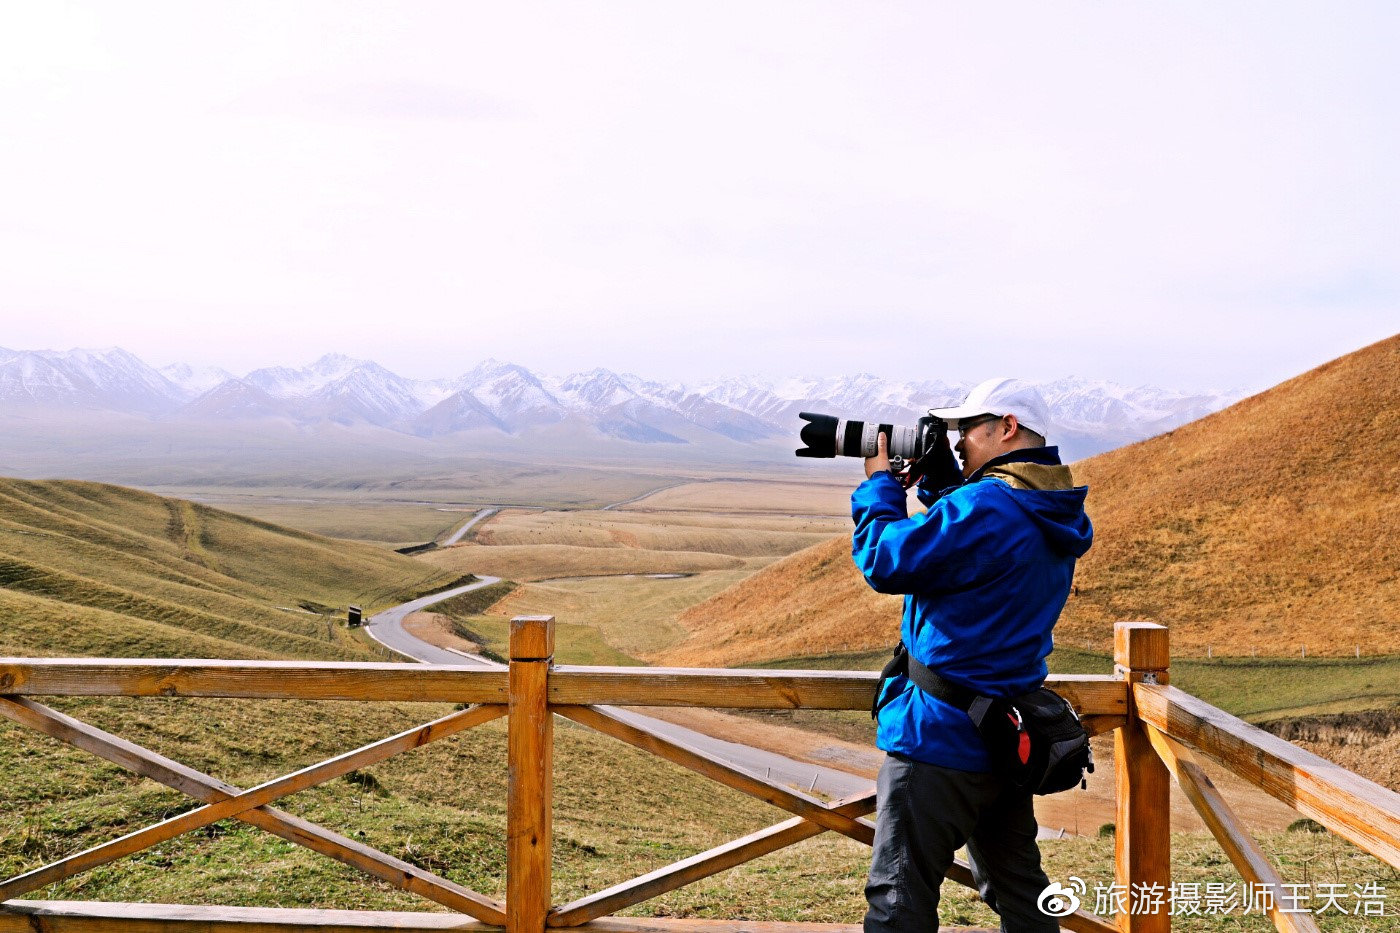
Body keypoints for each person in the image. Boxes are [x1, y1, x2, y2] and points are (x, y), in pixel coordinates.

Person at [852, 377, 1093, 933]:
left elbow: (888, 561)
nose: (957, 441)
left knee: (898, 902)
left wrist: (880, 489)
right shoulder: (1044, 505)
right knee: (1020, 894)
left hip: (938, 738)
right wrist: (943, 490)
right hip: (1006, 737)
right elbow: (979, 550)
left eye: (966, 428)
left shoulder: (987, 505)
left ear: (1006, 427)